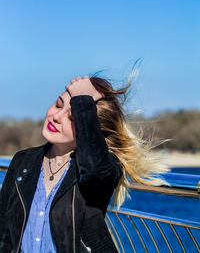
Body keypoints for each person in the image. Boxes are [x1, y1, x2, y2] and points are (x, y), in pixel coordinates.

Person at [0, 72, 170, 253]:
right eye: (58, 105)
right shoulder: (23, 160)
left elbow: (96, 170)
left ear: (88, 124)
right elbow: (3, 229)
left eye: (73, 118)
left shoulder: (101, 167)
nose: (56, 116)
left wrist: (82, 100)